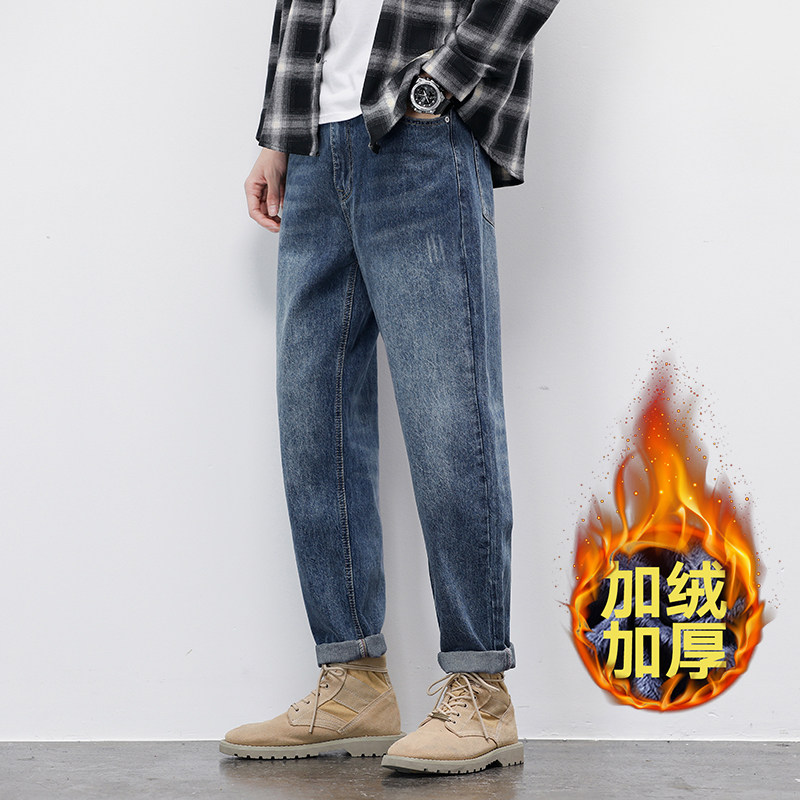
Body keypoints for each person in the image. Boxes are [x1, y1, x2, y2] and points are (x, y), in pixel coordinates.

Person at [220, 0, 560, 775]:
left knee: (449, 415)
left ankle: (481, 690)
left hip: (419, 133)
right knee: (313, 418)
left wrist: (444, 82)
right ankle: (351, 683)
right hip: (314, 143)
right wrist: (278, 130)